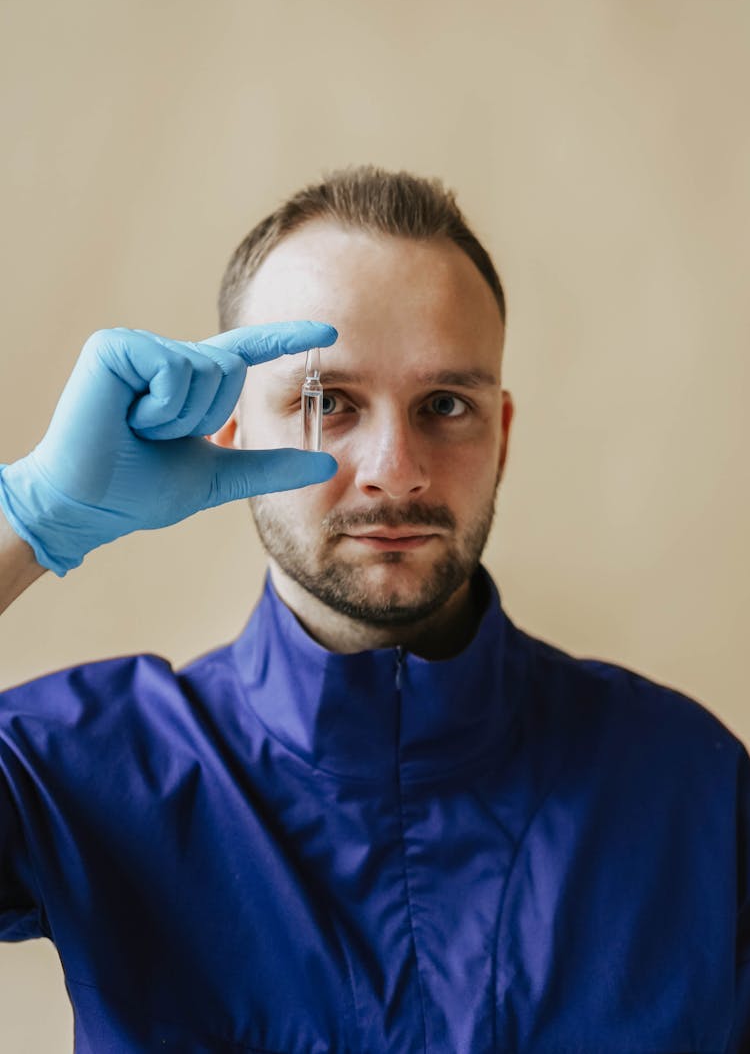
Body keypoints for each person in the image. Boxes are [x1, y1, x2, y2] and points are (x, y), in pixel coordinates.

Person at [0, 166, 747, 1054]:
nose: (396, 467)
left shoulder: (691, 787)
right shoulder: (84, 769)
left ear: (501, 435)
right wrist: (29, 519)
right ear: (236, 433)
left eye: (443, 405)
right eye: (328, 402)